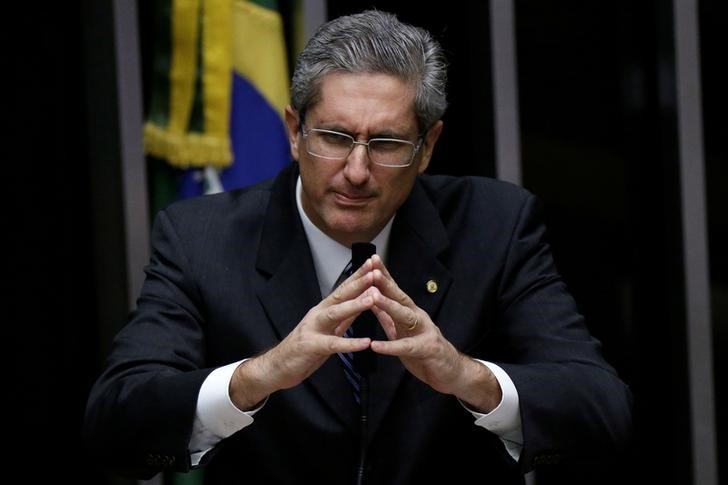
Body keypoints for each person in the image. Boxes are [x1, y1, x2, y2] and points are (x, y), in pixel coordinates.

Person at [84, 9, 632, 485]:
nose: (357, 171)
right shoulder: (201, 237)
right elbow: (116, 424)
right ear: (295, 131)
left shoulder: (495, 225)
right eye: (335, 137)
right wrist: (260, 375)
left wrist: (464, 375)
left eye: (388, 143)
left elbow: (601, 410)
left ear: (427, 146)